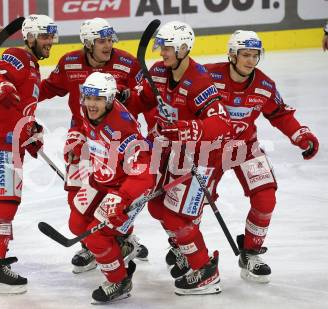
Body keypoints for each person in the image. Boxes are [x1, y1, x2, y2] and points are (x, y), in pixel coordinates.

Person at [126, 21, 233, 295]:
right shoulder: (159, 71)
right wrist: (123, 99)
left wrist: (189, 128)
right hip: (170, 152)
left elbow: (221, 124)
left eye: (168, 47)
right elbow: (144, 100)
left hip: (200, 157)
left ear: (184, 48)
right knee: (158, 207)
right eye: (161, 46)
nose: (162, 52)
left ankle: (205, 270)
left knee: (177, 219)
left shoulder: (199, 81)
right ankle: (184, 246)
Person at [204, 30, 319, 283]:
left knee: (266, 197)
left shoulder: (264, 85)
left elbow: (280, 114)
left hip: (246, 146)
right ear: (232, 55)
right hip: (208, 148)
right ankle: (183, 250)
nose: (251, 61)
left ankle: (251, 253)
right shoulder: (208, 76)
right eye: (245, 54)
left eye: (255, 55)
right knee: (194, 203)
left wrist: (300, 135)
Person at [38, 17, 149, 274]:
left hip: (116, 136)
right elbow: (49, 87)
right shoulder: (70, 62)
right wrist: (22, 97)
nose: (107, 45)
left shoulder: (127, 63)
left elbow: (147, 96)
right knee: (76, 191)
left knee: (119, 189)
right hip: (81, 130)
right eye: (101, 40)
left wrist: (137, 103)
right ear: (88, 43)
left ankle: (123, 238)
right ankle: (91, 244)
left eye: (110, 39)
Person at [0, 14, 58, 294]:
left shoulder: (33, 67)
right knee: (5, 204)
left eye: (50, 36)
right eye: (44, 36)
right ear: (29, 37)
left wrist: (28, 133)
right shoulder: (18, 56)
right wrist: (2, 89)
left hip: (6, 140)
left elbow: (20, 112)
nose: (49, 42)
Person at [74, 72, 154, 303]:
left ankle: (119, 280)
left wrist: (121, 198)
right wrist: (76, 140)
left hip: (126, 187)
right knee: (77, 224)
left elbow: (144, 174)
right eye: (87, 97)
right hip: (103, 179)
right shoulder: (89, 110)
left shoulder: (123, 128)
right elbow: (84, 127)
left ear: (109, 100)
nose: (90, 103)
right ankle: (123, 243)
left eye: (97, 99)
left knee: (96, 238)